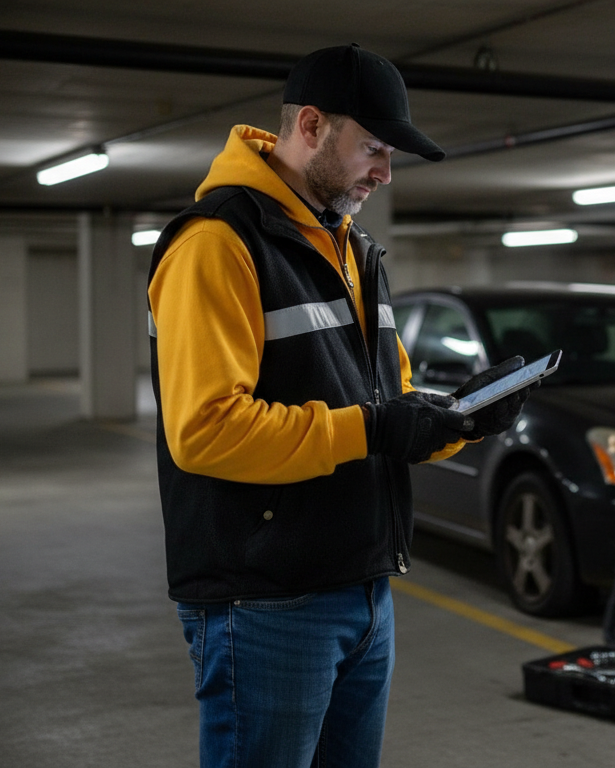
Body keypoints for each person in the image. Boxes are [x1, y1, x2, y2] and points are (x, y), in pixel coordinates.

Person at [146, 44, 530, 768]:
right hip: (265, 598)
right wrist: (379, 426)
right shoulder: (218, 243)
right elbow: (204, 431)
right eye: (375, 148)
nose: (385, 173)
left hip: (361, 585)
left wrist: (462, 421)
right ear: (313, 126)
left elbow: (389, 405)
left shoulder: (355, 251)